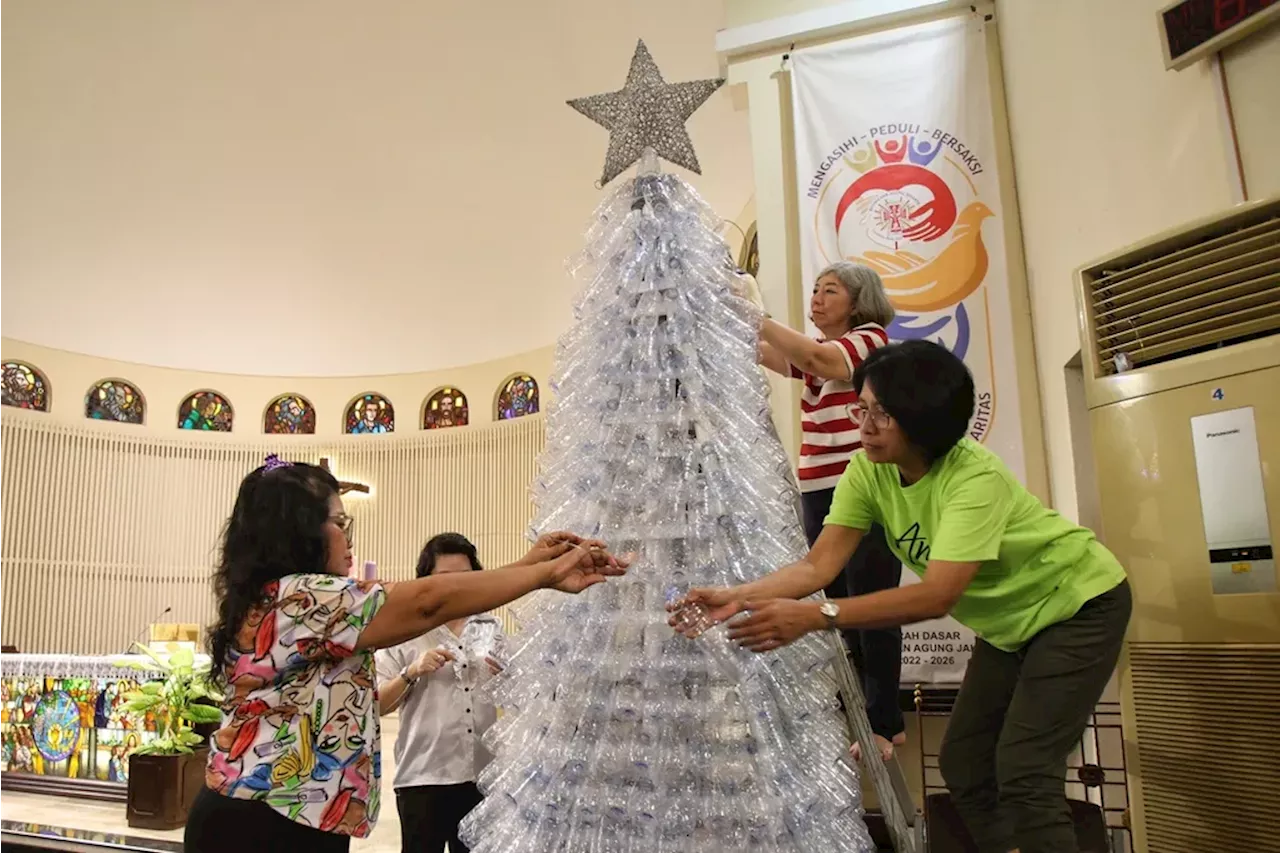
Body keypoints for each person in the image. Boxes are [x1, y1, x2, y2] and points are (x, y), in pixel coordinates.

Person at [672, 340, 1132, 853]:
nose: (864, 426)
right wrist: (737, 596)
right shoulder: (868, 470)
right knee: (963, 763)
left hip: (1077, 605)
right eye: (862, 408)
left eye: (882, 414)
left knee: (1025, 771)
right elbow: (817, 564)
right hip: (1009, 626)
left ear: (925, 419)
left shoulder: (973, 478)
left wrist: (816, 616)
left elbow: (937, 595)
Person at [184, 456, 628, 853]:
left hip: (292, 816)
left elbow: (443, 596)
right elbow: (428, 601)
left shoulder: (297, 602)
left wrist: (531, 566)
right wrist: (543, 573)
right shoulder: (299, 599)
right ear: (299, 532)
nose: (349, 538)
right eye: (340, 523)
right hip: (261, 823)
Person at [756, 260, 904, 760]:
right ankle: (855, 711)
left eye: (830, 291)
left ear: (858, 301)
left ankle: (884, 720)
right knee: (835, 600)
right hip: (819, 486)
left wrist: (752, 312)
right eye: (815, 291)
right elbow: (774, 357)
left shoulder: (869, 340)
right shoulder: (825, 350)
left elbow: (818, 360)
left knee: (870, 598)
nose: (817, 299)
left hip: (860, 484)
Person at [375, 533, 504, 853]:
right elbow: (375, 704)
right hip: (423, 777)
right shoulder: (403, 630)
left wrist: (507, 677)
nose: (456, 587)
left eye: (465, 577)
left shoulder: (490, 627)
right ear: (425, 581)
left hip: (482, 775)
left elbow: (513, 696)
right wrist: (411, 672)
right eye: (445, 579)